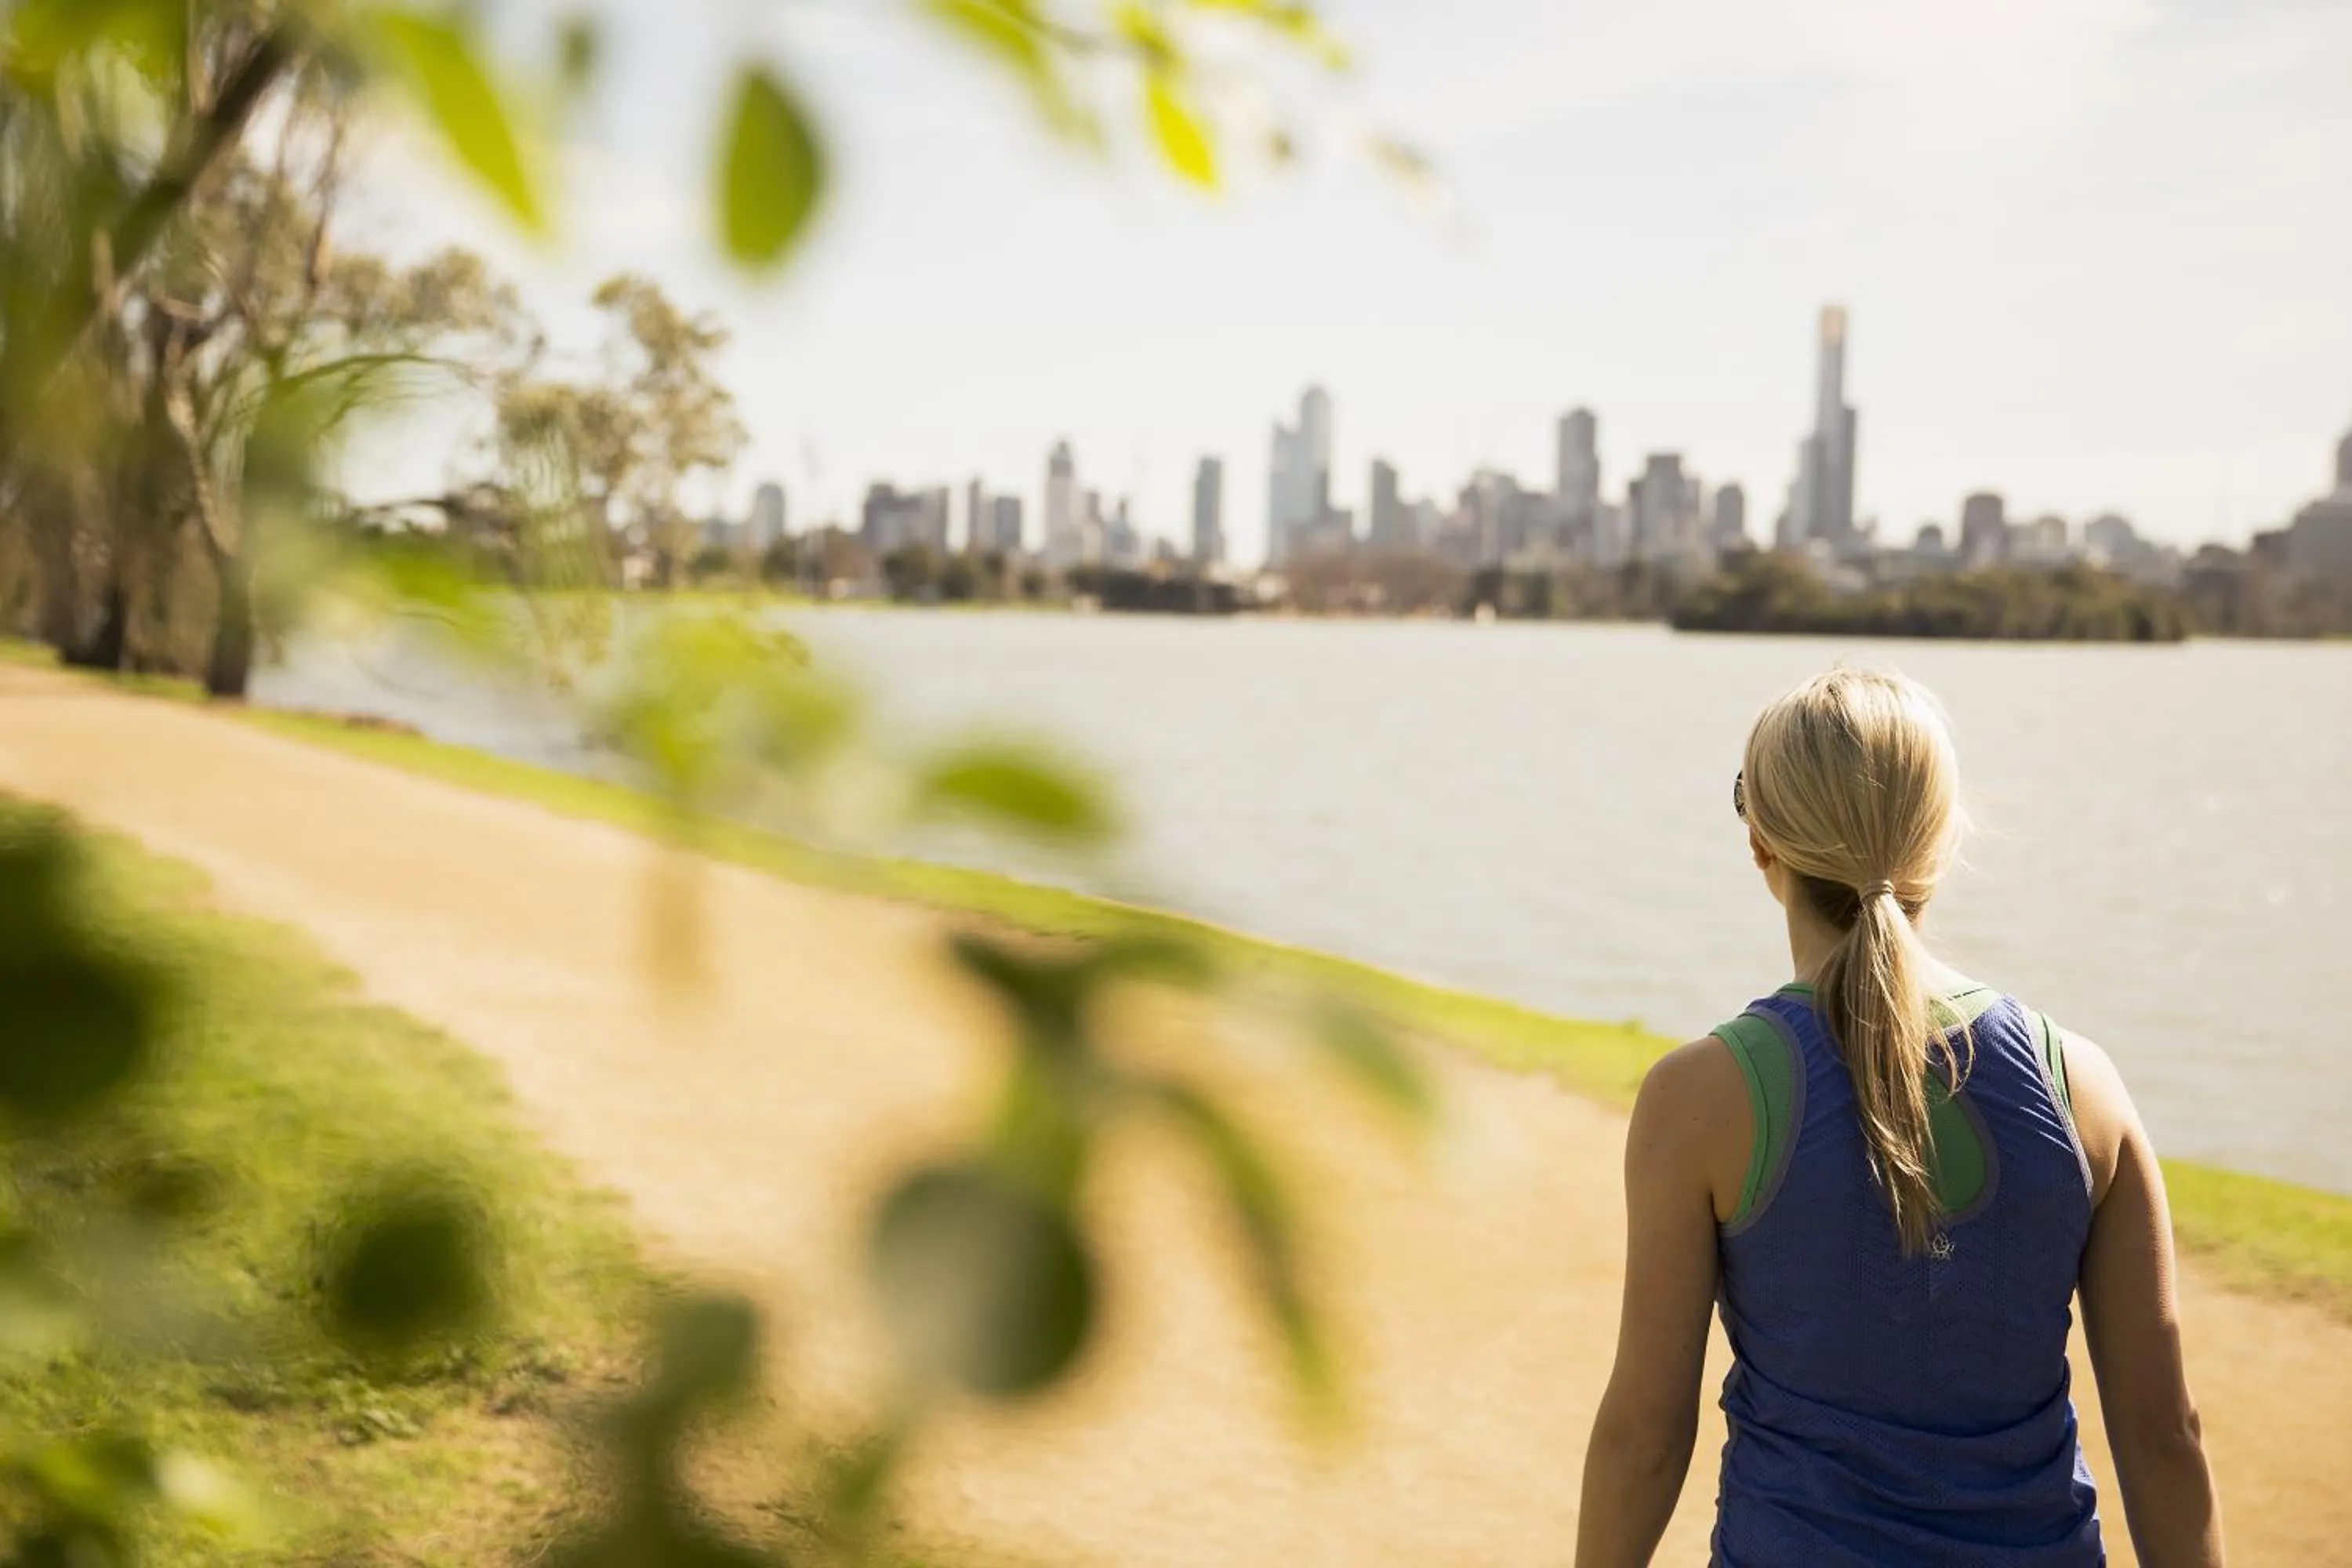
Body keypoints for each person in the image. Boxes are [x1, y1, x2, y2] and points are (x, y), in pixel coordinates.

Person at [1575, 666, 2223, 1567]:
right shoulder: (2084, 1083)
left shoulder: (1697, 1098)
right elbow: (2164, 1435)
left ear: (1761, 841)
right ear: (1942, 841)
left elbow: (1645, 1435)